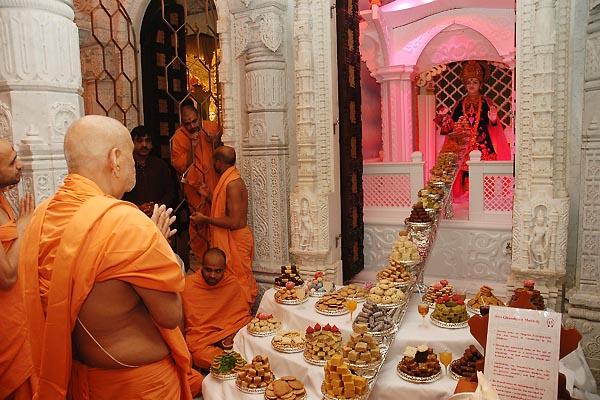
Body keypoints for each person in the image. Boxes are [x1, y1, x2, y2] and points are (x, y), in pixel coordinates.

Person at [19, 115, 195, 399]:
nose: (134, 162)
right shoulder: (127, 223)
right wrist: (162, 248)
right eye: (128, 154)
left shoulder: (43, 216)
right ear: (115, 158)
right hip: (138, 385)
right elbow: (171, 314)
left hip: (78, 380)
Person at [191, 146, 258, 307]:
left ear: (219, 162)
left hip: (236, 240)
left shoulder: (232, 184)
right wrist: (209, 197)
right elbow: (225, 210)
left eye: (214, 162)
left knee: (238, 281)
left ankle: (242, 315)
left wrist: (205, 219)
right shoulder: (229, 180)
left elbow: (235, 222)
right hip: (233, 238)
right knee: (230, 281)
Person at [434, 60, 511, 198]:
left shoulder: (486, 102)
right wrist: (444, 117)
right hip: (464, 144)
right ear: (465, 85)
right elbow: (452, 126)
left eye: (475, 82)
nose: (471, 85)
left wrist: (493, 119)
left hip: (483, 144)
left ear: (480, 85)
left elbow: (493, 124)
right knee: (465, 175)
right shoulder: (460, 103)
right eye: (469, 82)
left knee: (483, 173)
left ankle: (484, 197)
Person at [0, 139, 36, 400]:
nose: (20, 165)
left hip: (20, 318)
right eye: (12, 162)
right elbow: (7, 274)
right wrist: (24, 225)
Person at [182, 247, 252, 370]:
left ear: (225, 269)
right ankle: (240, 364)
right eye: (208, 270)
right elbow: (183, 323)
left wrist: (232, 334)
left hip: (231, 332)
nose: (212, 275)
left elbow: (243, 316)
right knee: (199, 356)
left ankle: (239, 362)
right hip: (203, 338)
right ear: (201, 266)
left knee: (255, 334)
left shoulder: (231, 283)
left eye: (218, 271)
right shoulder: (188, 286)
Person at [170, 104, 220, 260]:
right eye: (188, 123)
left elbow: (227, 148)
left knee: (218, 218)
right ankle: (201, 258)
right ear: (181, 123)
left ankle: (218, 255)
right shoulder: (178, 137)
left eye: (194, 121)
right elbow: (182, 166)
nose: (192, 126)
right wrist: (192, 146)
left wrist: (215, 140)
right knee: (199, 223)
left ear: (199, 117)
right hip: (195, 188)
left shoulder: (211, 127)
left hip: (214, 182)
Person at [122, 125, 177, 216]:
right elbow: (119, 195)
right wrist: (138, 208)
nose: (144, 145)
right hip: (133, 217)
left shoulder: (160, 165)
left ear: (151, 144)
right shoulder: (125, 166)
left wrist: (158, 207)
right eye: (139, 141)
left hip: (159, 216)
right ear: (132, 143)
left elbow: (170, 192)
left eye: (147, 141)